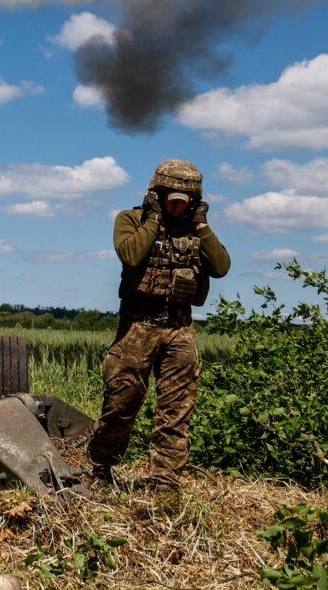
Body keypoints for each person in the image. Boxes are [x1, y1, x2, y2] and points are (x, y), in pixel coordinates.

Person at [86, 159, 231, 492]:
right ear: (157, 194)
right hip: (139, 325)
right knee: (122, 402)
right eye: (171, 198)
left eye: (185, 200)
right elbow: (132, 256)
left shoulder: (195, 229)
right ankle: (101, 468)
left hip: (180, 328)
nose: (177, 205)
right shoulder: (131, 220)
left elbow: (221, 267)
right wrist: (153, 217)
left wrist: (202, 226)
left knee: (176, 408)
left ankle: (164, 481)